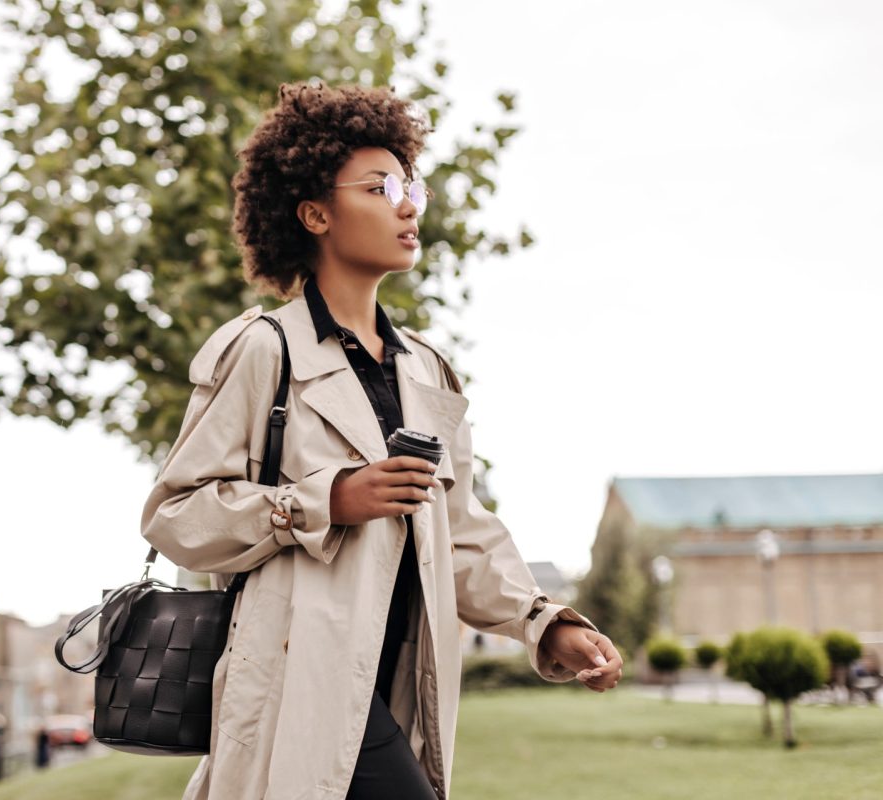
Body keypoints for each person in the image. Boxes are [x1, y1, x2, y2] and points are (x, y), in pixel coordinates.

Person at [141, 81, 623, 800]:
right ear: (314, 214)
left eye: (411, 187)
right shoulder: (262, 350)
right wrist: (326, 500)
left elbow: (459, 533)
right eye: (380, 186)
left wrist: (541, 623)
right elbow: (175, 513)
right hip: (296, 678)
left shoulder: (425, 369)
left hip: (402, 677)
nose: (407, 205)